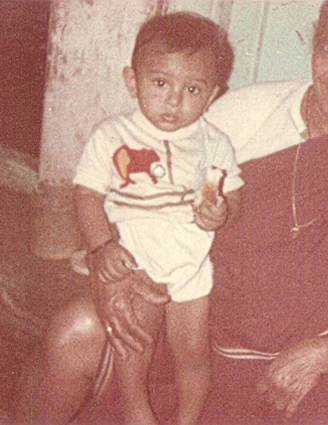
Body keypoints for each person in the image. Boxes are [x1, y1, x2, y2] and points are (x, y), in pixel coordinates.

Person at [15, 1, 328, 424]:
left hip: (319, 363)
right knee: (78, 329)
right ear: (313, 44)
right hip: (197, 325)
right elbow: (132, 195)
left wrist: (326, 351)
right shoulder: (245, 114)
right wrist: (107, 271)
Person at [15, 12, 243, 425]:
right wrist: (102, 246)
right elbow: (86, 194)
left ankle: (189, 419)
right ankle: (137, 410)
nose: (174, 100)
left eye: (192, 89)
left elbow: (233, 194)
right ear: (132, 81)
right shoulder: (112, 135)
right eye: (160, 83)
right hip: (135, 250)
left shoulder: (214, 143)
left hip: (191, 256)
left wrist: (221, 211)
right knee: (135, 339)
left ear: (212, 95)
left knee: (192, 349)